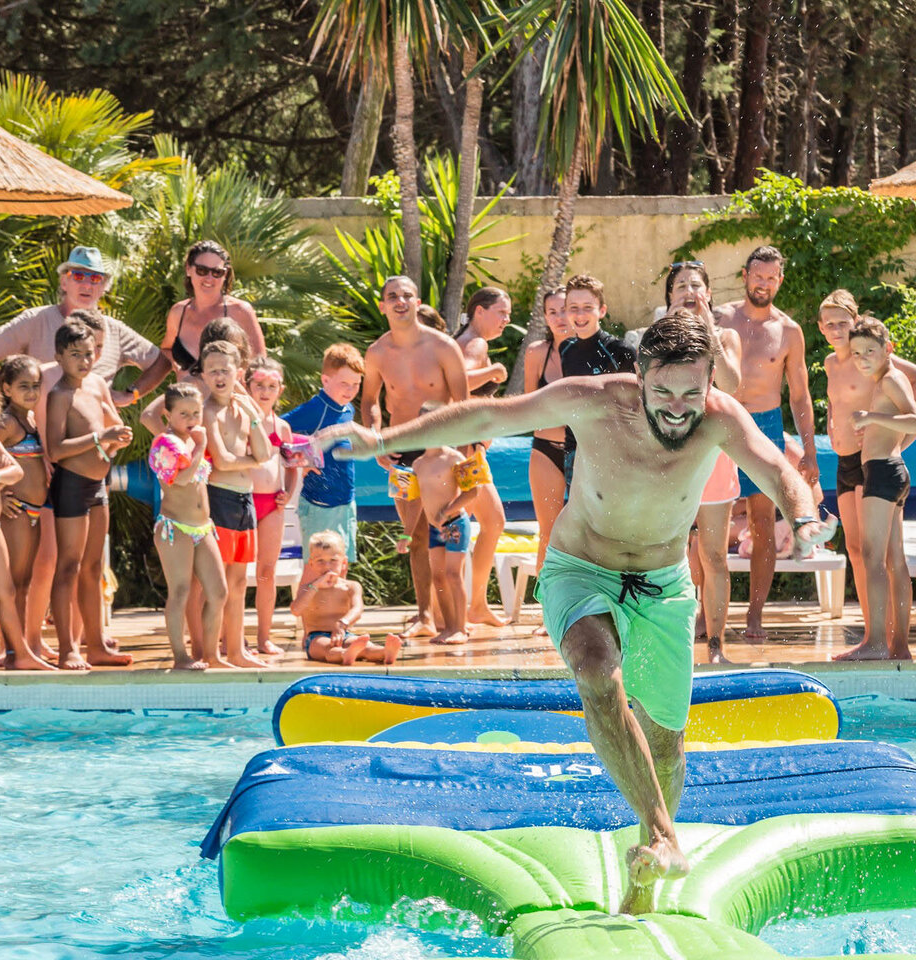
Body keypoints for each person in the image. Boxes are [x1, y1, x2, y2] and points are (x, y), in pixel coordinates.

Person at [315, 309, 835, 915]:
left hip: (664, 588)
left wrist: (801, 516)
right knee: (596, 668)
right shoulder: (591, 400)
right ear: (639, 374)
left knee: (666, 743)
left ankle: (646, 868)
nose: (676, 405)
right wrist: (382, 441)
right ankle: (668, 836)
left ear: (710, 380)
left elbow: (775, 468)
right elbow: (490, 415)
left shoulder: (719, 418)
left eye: (692, 391)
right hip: (580, 569)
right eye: (662, 390)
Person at [817, 290, 916, 654]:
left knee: (876, 557)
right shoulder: (833, 363)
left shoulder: (878, 364)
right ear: (821, 329)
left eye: (843, 323)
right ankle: (883, 639)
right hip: (852, 461)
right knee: (862, 551)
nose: (837, 330)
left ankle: (880, 640)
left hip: (879, 466)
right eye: (829, 324)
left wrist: (891, 436)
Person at [716, 246, 819, 640]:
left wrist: (809, 450)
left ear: (780, 280)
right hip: (723, 420)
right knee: (708, 520)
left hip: (766, 426)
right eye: (757, 276)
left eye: (771, 277)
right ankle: (708, 614)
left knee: (762, 524)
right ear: (745, 275)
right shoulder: (721, 318)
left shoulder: (789, 331)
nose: (763, 284)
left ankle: (754, 614)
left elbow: (800, 395)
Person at [360, 277, 468, 636]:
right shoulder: (376, 352)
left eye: (406, 295)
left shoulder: (442, 346)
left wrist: (466, 453)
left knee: (450, 528)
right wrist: (377, 439)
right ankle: (424, 615)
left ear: (417, 300)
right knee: (416, 536)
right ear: (383, 306)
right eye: (392, 296)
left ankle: (455, 620)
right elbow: (369, 401)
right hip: (402, 454)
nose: (400, 301)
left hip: (440, 451)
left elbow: (464, 402)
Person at [662, 262, 742, 663]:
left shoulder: (725, 336)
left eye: (696, 285)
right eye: (680, 286)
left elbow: (730, 383)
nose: (689, 290)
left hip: (712, 457)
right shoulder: (657, 338)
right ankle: (666, 645)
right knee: (664, 554)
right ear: (669, 297)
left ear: (709, 294)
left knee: (713, 556)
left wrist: (707, 328)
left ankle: (715, 646)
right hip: (669, 458)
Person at [44, 321, 133, 670]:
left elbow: (110, 421)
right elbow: (55, 449)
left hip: (99, 484)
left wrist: (116, 438)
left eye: (89, 353)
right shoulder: (59, 396)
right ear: (59, 357)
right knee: (68, 567)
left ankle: (96, 646)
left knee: (94, 568)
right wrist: (99, 439)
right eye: (75, 355)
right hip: (71, 486)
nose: (84, 361)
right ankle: (68, 648)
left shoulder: (96, 383)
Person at [0, 245, 170, 406]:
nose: (87, 285)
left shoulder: (115, 329)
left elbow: (162, 362)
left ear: (104, 287)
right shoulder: (36, 319)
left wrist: (131, 394)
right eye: (78, 276)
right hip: (39, 433)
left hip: (97, 433)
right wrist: (8, 393)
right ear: (64, 282)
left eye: (95, 278)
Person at [202, 341, 273, 669]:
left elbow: (266, 454)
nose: (219, 376)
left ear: (238, 373)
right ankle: (214, 653)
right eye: (212, 370)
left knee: (240, 582)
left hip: (245, 501)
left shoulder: (243, 411)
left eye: (225, 370)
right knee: (219, 585)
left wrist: (256, 417)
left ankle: (236, 650)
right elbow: (222, 459)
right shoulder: (209, 411)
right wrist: (247, 460)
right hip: (220, 499)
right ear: (203, 375)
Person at [148, 382, 229, 670]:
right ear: (167, 414)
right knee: (180, 591)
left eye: (196, 412)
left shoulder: (191, 440)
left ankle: (212, 655)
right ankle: (181, 656)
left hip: (202, 527)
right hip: (175, 527)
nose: (192, 419)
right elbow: (181, 480)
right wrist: (203, 446)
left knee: (219, 592)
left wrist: (199, 443)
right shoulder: (164, 443)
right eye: (183, 413)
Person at [454, 287, 513, 627]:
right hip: (467, 452)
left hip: (466, 449)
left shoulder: (461, 340)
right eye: (501, 313)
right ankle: (472, 604)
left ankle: (463, 605)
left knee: (456, 526)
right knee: (492, 523)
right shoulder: (476, 344)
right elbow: (458, 380)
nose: (507, 320)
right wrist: (495, 372)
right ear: (479, 311)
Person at [285, 342, 366, 567]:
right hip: (319, 503)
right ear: (325, 380)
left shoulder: (347, 409)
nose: (350, 390)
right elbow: (276, 430)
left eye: (356, 384)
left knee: (342, 566)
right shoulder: (315, 409)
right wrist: (298, 461)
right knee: (318, 568)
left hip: (345, 501)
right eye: (344, 383)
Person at [0, 356, 55, 663]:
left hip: (34, 508)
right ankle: (12, 650)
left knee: (24, 583)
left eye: (35, 386)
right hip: (16, 510)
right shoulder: (6, 422)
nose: (31, 392)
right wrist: (1, 495)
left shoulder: (32, 419)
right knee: (13, 583)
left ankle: (18, 648)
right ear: (6, 388)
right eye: (23, 387)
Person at [558, 274, 638, 489]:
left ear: (601, 310)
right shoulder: (565, 349)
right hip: (576, 448)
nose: (580, 314)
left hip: (614, 449)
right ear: (565, 310)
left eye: (587, 307)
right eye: (573, 307)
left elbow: (637, 404)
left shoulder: (620, 351)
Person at [245, 356, 297, 657]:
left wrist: (288, 493)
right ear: (247, 386)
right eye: (259, 385)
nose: (265, 392)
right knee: (235, 574)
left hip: (271, 504)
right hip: (242, 500)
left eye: (271, 386)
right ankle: (231, 637)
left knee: (267, 572)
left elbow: (292, 466)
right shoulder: (239, 421)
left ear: (280, 389)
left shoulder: (283, 427)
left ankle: (264, 637)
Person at [291, 530, 402, 665]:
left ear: (343, 562)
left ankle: (385, 652)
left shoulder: (351, 587)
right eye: (320, 561)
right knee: (328, 649)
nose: (327, 566)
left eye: (333, 560)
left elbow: (357, 609)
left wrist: (342, 623)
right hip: (316, 637)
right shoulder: (307, 588)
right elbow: (296, 610)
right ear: (311, 563)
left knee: (365, 647)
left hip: (344, 633)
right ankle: (346, 654)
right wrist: (315, 586)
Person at [160, 240, 266, 374]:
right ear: (188, 269)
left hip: (230, 395)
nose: (209, 278)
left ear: (225, 275)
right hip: (187, 394)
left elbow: (260, 365)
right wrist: (180, 369)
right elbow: (166, 350)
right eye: (202, 270)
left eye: (217, 272)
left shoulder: (240, 311)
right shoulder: (178, 312)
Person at [522, 286, 570, 580]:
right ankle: (548, 614)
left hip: (584, 451)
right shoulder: (537, 353)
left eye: (564, 309)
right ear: (545, 317)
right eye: (552, 312)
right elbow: (531, 411)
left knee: (587, 534)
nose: (559, 317)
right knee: (548, 532)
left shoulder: (591, 352)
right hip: (546, 450)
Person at [412, 444, 480, 645]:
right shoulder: (418, 464)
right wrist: (407, 533)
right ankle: (449, 627)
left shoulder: (455, 457)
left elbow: (472, 492)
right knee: (439, 578)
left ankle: (460, 628)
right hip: (435, 528)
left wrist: (447, 511)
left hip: (455, 523)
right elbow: (415, 499)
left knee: (453, 574)